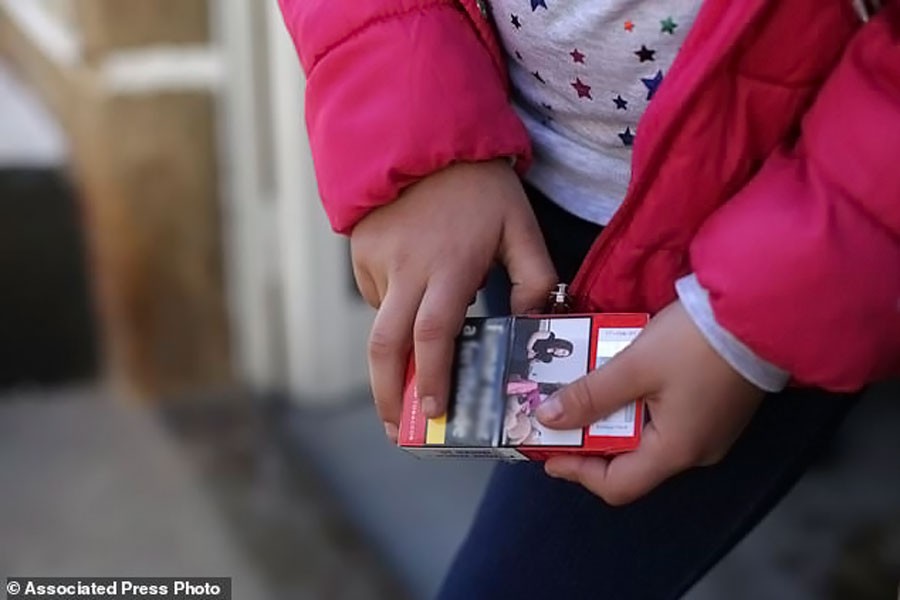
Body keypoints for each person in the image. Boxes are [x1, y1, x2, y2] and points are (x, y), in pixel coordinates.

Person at [278, 0, 900, 597]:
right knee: (535, 447)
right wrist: (412, 126)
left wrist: (755, 322)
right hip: (505, 184)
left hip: (746, 266)